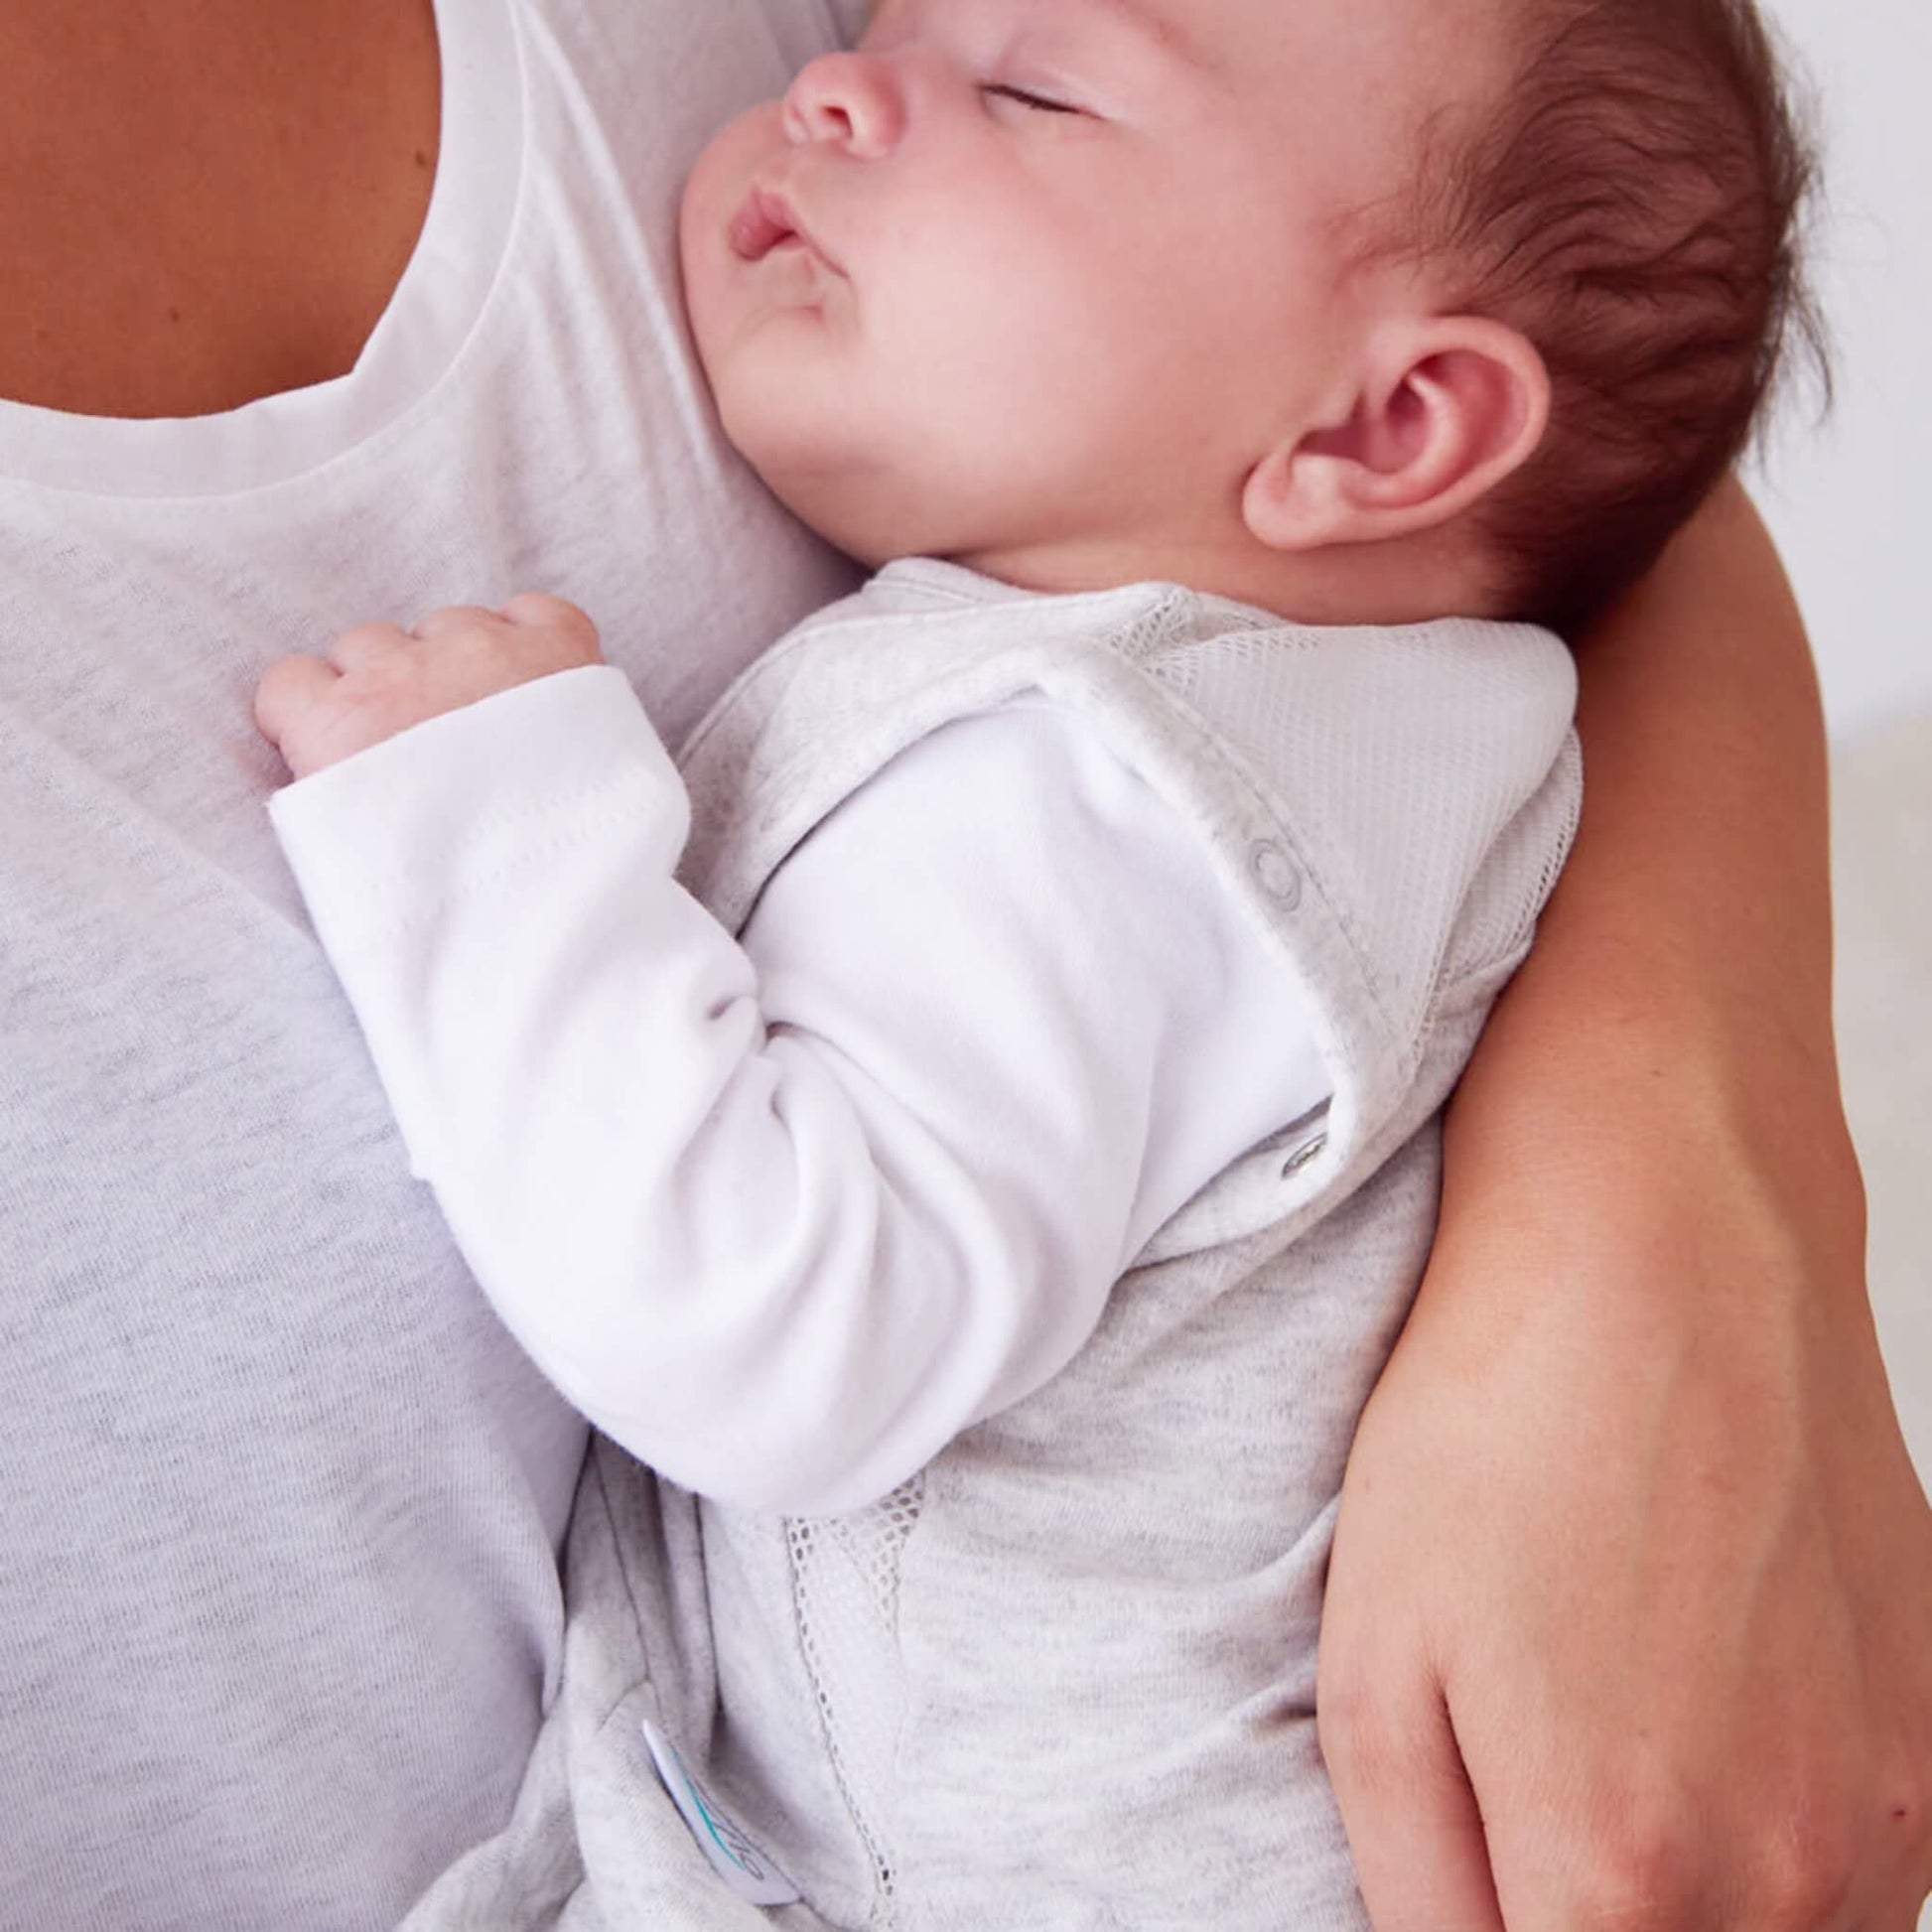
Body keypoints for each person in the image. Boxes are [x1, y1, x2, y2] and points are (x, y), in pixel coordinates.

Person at [0, 0, 1924, 1927]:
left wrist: (495, 828)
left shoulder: (1112, 800)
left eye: (1026, 88)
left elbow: (771, 1315)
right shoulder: (1338, 729)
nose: (828, 80)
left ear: (1384, 429)